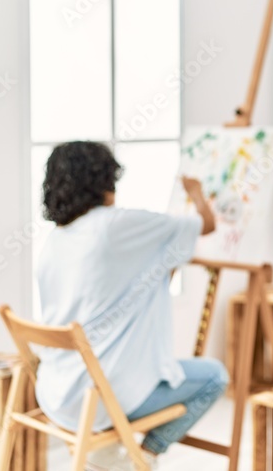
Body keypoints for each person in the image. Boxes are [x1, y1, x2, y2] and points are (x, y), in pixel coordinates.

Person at [36, 141, 227, 470]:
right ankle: (146, 456)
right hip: (100, 397)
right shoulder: (115, 226)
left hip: (55, 392)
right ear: (104, 183)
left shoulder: (57, 238)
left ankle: (110, 453)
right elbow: (206, 225)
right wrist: (195, 193)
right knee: (215, 377)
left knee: (131, 366)